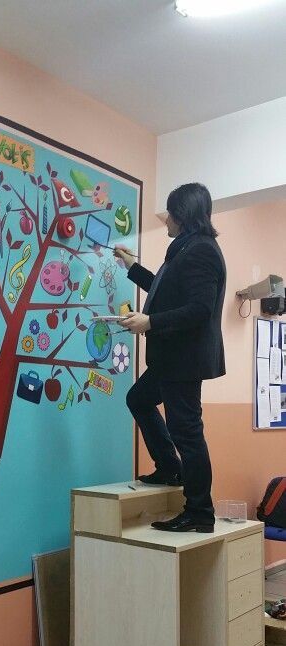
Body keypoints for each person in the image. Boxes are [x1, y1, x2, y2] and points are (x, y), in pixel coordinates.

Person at [114, 182, 226, 533]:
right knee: (138, 399)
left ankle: (199, 512)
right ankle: (169, 468)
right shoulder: (184, 250)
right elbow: (165, 293)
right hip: (170, 358)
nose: (167, 221)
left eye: (171, 214)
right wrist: (133, 266)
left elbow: (199, 309)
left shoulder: (202, 252)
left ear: (185, 215)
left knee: (187, 432)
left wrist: (150, 321)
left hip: (184, 360)